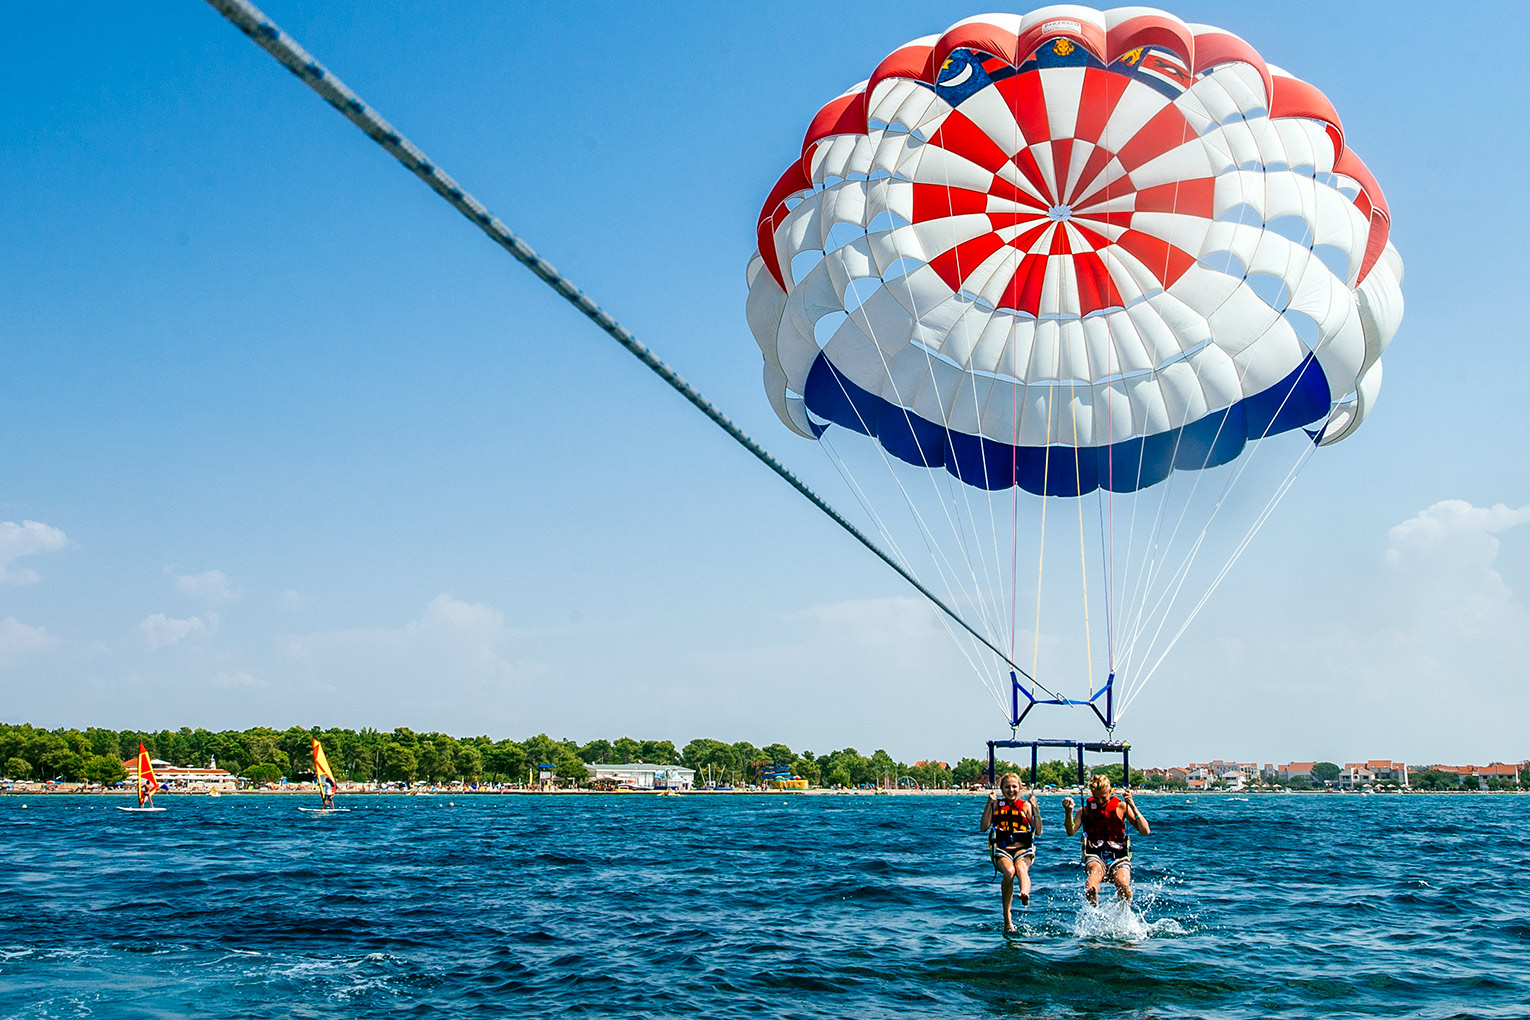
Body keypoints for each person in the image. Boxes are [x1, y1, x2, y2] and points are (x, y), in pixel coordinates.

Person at [1063, 773, 1150, 905]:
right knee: (1094, 877)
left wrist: (1132, 805)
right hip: (1095, 854)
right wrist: (1068, 812)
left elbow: (1145, 831)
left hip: (1119, 855)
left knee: (1123, 883)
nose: (1100, 802)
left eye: (1103, 798)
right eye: (1096, 798)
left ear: (1110, 791)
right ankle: (1093, 911)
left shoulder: (1121, 807)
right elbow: (1070, 831)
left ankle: (1123, 914)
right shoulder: (1085, 810)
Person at [980, 772, 1042, 932]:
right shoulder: (995, 804)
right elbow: (983, 827)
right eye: (1007, 787)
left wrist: (1035, 808)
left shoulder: (1026, 806)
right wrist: (989, 803)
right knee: (1009, 871)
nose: (1011, 790)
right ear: (1001, 789)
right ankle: (1007, 919)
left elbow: (1039, 830)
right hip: (1002, 847)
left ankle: (1024, 893)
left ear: (1020, 788)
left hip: (1023, 847)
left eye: (1014, 787)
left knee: (1021, 869)